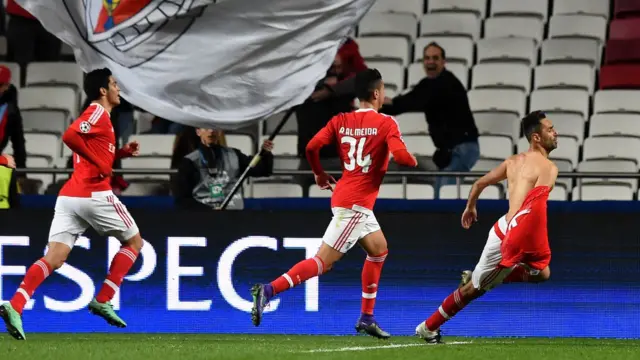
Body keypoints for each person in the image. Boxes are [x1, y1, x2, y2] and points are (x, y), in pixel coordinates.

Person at [250, 69, 418, 339]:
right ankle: (269, 290)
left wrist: (318, 173)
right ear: (376, 94)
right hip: (356, 205)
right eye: (383, 90)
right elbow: (402, 157)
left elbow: (311, 147)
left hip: (347, 198)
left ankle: (366, 317)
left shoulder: (340, 120)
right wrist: (410, 159)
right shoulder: (387, 123)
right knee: (322, 263)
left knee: (379, 250)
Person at [0, 68, 143, 340]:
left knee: (54, 258)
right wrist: (102, 162)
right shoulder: (97, 112)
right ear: (103, 90)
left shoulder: (100, 118)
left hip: (69, 198)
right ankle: (104, 298)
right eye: (114, 84)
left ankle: (15, 304)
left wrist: (121, 153)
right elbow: (69, 136)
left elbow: (93, 152)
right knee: (135, 243)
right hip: (94, 195)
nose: (118, 89)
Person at [415, 111, 558, 344]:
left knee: (543, 273)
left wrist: (470, 207)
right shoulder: (549, 168)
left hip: (506, 226)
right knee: (473, 290)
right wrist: (523, 243)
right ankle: (427, 327)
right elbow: (533, 208)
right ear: (536, 137)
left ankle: (488, 276)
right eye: (550, 129)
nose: (555, 132)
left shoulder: (513, 161)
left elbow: (480, 182)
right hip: (510, 236)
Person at [381, 42, 479, 193]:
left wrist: (385, 103)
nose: (430, 62)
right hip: (452, 149)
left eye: (435, 58)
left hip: (462, 148)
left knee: (444, 192)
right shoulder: (431, 84)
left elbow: (407, 102)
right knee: (442, 191)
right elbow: (406, 102)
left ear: (443, 61)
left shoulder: (444, 83)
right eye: (427, 58)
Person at [173, 128, 274, 210]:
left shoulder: (234, 155)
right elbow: (182, 200)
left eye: (214, 127)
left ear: (220, 131)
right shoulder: (189, 161)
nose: (211, 131)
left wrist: (265, 153)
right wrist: (209, 211)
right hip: (202, 220)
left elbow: (263, 170)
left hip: (234, 218)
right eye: (206, 127)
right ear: (198, 132)